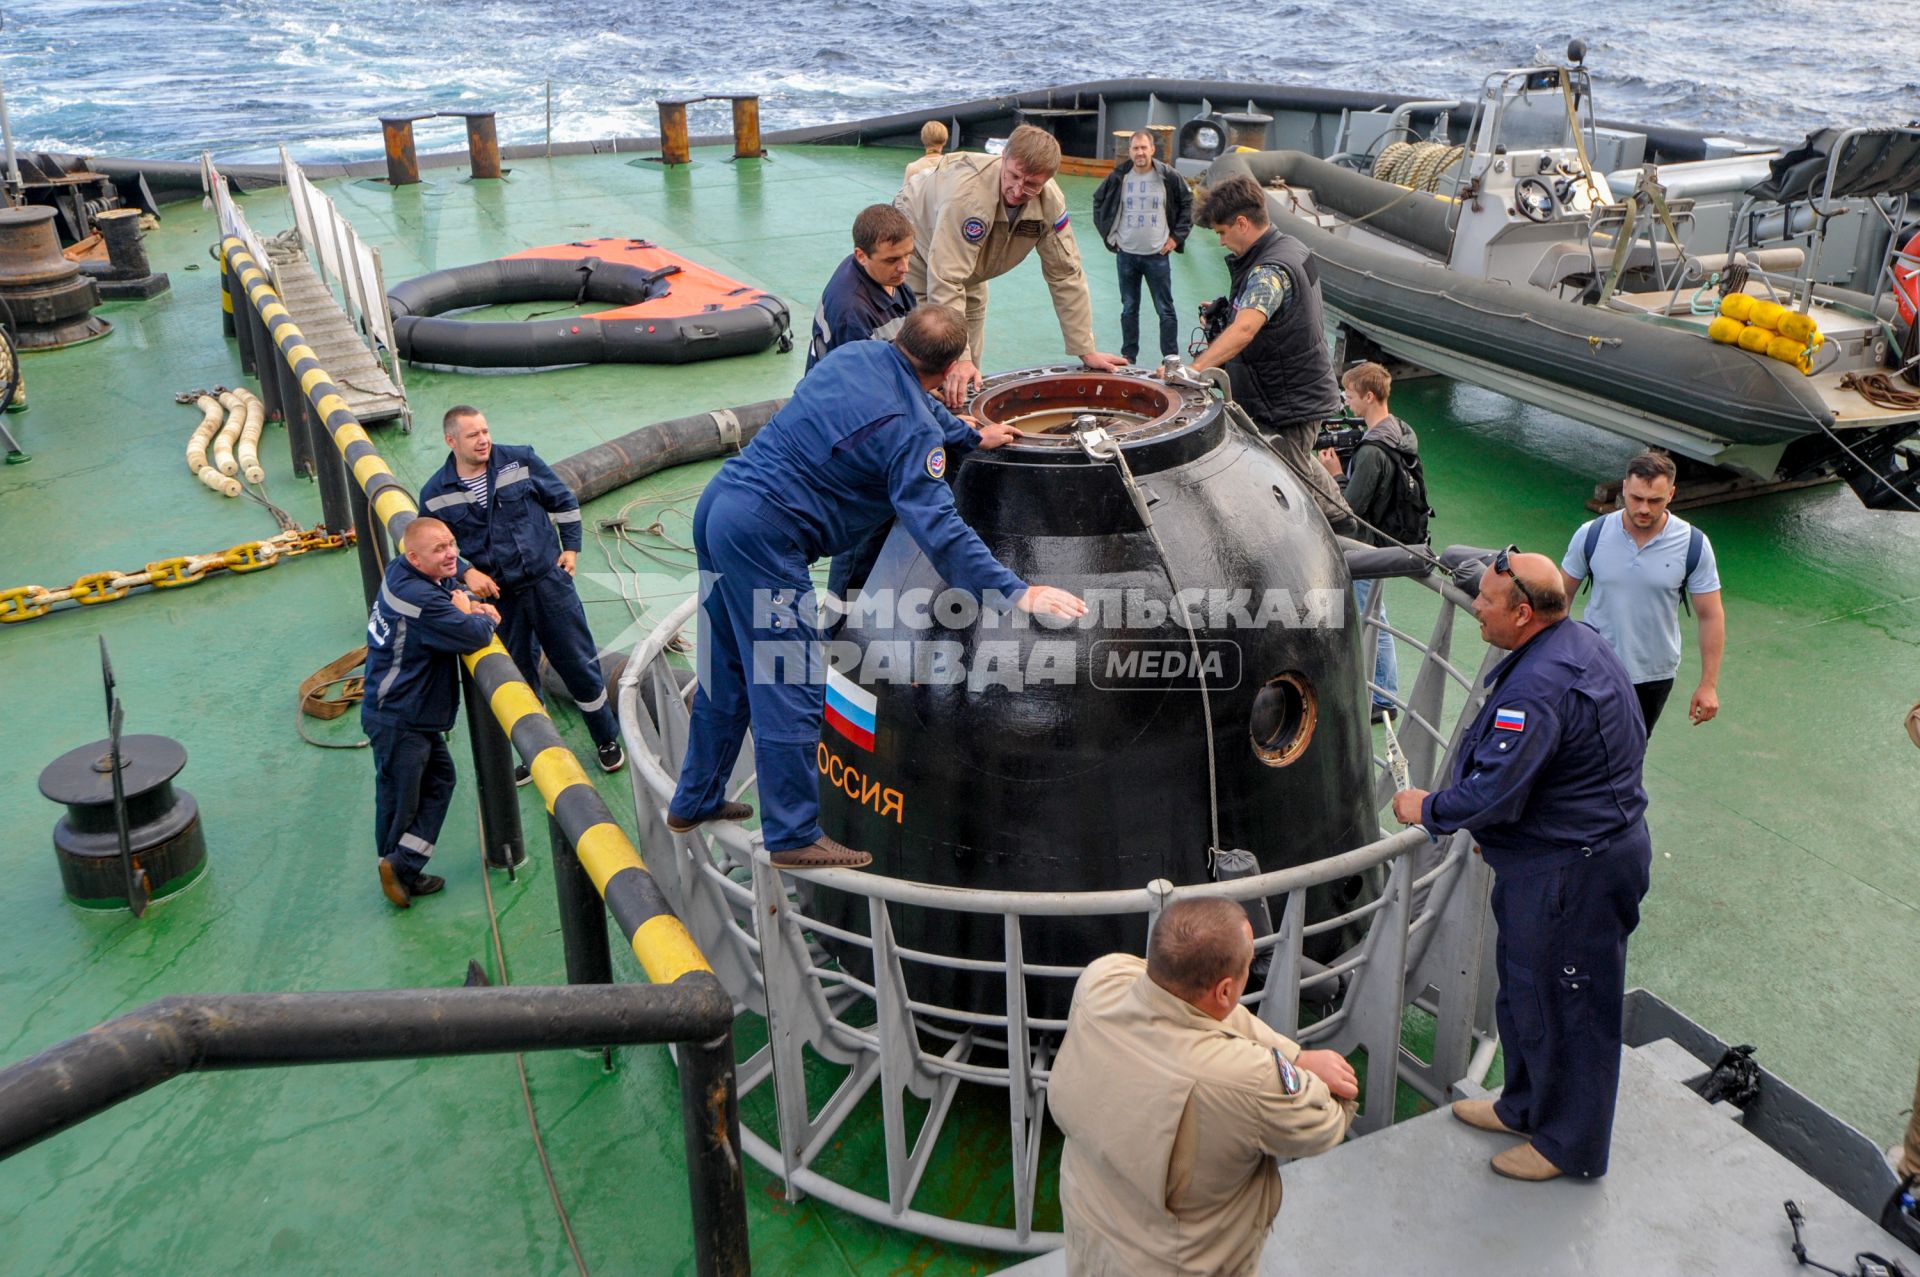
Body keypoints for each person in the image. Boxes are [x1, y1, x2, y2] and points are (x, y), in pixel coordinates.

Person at [667, 304, 1088, 869]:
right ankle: (792, 833)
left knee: (728, 667)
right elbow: (940, 529)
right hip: (765, 539)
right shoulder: (913, 434)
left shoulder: (857, 355)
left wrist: (969, 436)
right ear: (945, 372)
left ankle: (695, 798)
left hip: (720, 506)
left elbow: (909, 410)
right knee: (790, 678)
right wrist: (1016, 591)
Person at [1391, 548, 1652, 1182]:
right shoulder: (1574, 643)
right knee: (1528, 991)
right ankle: (1525, 1105)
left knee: (1574, 1010)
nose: (1474, 606)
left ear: (1525, 614)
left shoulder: (1538, 687)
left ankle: (1571, 1147)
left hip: (1576, 874)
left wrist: (1428, 806)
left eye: (1485, 600)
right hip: (1549, 859)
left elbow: (1494, 790)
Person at [1048, 895, 1358, 1275]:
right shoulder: (1249, 1080)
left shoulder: (1101, 979)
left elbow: (1178, 1000)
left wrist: (1292, 1056)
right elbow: (1320, 1123)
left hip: (1090, 1240)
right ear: (1226, 991)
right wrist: (1320, 1079)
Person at [419, 407, 626, 783]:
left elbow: (563, 501)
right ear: (451, 441)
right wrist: (467, 571)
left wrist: (571, 549)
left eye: (485, 431)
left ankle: (605, 737)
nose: (483, 440)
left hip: (548, 583)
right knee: (519, 677)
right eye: (472, 435)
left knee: (577, 663)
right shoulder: (435, 495)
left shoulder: (520, 460)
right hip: (500, 598)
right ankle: (537, 752)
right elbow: (436, 550)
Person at [895, 123, 1125, 407]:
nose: (1018, 190)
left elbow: (1066, 274)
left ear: (1048, 180)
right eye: (1014, 176)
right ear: (1003, 157)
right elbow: (946, 279)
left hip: (973, 264)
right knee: (929, 351)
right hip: (920, 242)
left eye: (1031, 184)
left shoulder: (1050, 202)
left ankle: (957, 414)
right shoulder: (967, 198)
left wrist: (1085, 348)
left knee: (966, 364)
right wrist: (959, 359)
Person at [1187, 174, 1357, 536]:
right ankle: (1347, 523)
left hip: (1286, 404)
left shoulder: (1268, 270)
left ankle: (1344, 536)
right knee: (1298, 465)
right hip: (1295, 392)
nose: (1221, 241)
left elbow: (1247, 328)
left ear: (1243, 223)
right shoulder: (1290, 246)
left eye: (1221, 232)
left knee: (1287, 482)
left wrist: (1195, 370)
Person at [361, 515, 501, 909]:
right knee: (400, 799)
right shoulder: (420, 599)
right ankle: (397, 869)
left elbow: (451, 588)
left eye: (452, 543)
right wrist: (475, 614)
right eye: (439, 549)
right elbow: (472, 637)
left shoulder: (403, 572)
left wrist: (467, 601)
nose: (452, 553)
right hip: (399, 717)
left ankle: (401, 867)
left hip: (409, 713)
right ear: (415, 557)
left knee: (437, 781)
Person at [1560, 450, 1724, 734]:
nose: (1644, 509)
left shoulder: (1693, 544)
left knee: (1630, 754)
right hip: (1593, 666)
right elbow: (1560, 599)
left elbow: (1710, 616)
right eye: (1636, 498)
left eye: (1654, 500)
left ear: (1671, 494)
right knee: (1579, 749)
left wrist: (1708, 684)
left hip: (1652, 676)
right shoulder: (1591, 534)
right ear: (1624, 488)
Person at [1318, 361, 1432, 720]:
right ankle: (1377, 688)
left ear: (1369, 396)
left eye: (1350, 396)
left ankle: (1383, 697)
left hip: (1368, 546)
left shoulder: (1371, 453)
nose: (1347, 403)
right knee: (1372, 614)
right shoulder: (1400, 431)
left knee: (1373, 618)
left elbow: (1349, 510)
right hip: (1392, 537)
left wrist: (1335, 475)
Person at [1092, 128, 1193, 366]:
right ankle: (1129, 356)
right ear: (1130, 151)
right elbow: (1098, 201)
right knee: (1129, 308)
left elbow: (1188, 202)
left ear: (1152, 149)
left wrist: (1177, 238)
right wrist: (1109, 236)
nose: (1139, 153)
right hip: (1126, 254)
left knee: (1165, 309)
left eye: (1143, 148)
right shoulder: (1120, 176)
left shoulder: (1167, 175)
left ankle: (1170, 358)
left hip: (1157, 254)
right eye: (1135, 148)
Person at [808, 204, 918, 373]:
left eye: (908, 255)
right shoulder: (851, 310)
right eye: (891, 260)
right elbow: (862, 383)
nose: (904, 267)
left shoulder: (881, 274)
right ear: (861, 256)